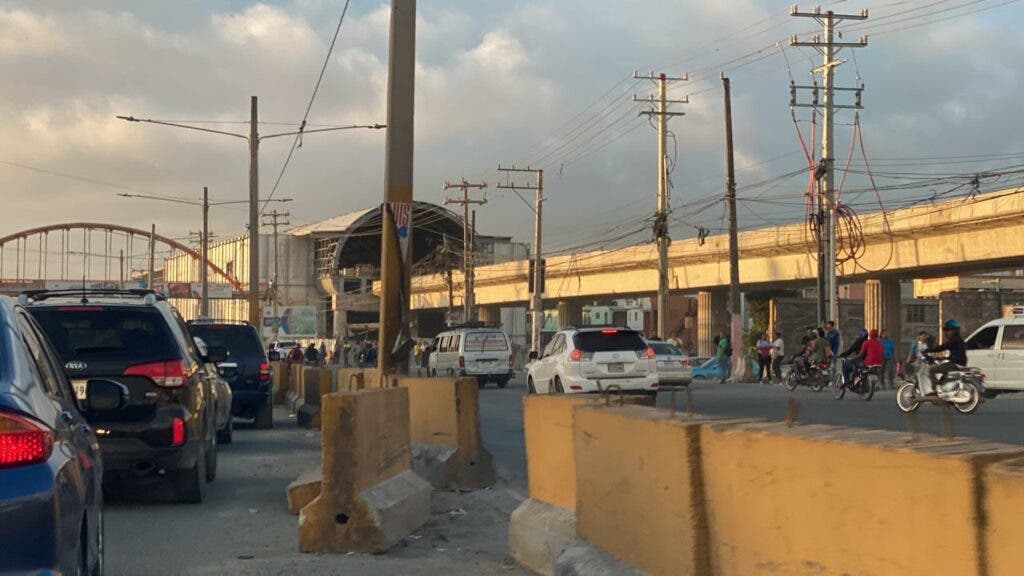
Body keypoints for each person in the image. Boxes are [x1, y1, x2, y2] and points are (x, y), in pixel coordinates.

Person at [927, 320, 967, 393]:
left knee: (931, 370)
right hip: (958, 363)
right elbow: (957, 354)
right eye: (945, 330)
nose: (946, 333)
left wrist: (927, 350)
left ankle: (934, 391)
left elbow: (942, 347)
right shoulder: (959, 340)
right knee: (943, 378)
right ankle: (945, 392)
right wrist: (943, 358)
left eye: (948, 330)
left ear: (954, 331)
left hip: (955, 364)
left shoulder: (954, 340)